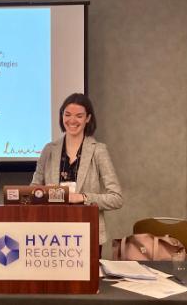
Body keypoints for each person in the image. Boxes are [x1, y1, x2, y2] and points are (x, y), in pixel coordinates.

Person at [32, 93, 123, 249]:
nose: (72, 120)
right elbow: (33, 189)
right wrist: (46, 194)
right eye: (67, 115)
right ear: (61, 117)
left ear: (88, 118)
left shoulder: (98, 151)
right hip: (51, 235)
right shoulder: (49, 150)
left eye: (79, 116)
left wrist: (82, 197)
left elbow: (116, 198)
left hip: (88, 233)